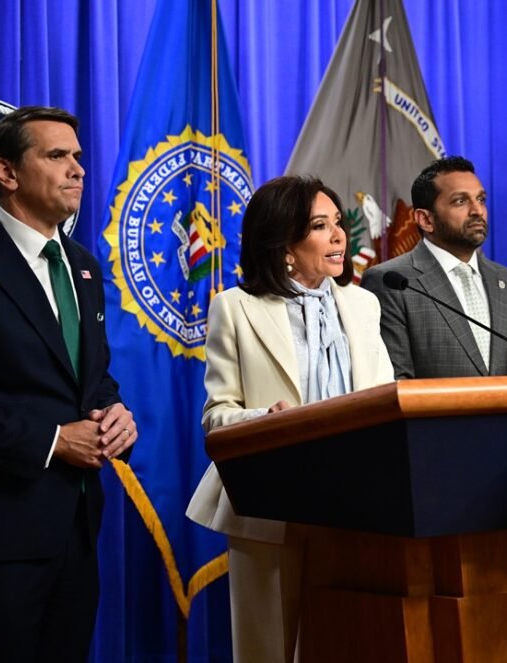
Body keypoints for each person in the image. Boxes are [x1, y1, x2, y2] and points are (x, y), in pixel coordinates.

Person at [0, 106, 138, 662]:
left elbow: (87, 376)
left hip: (76, 531)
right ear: (7, 173)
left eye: (78, 157)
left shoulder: (82, 265)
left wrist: (115, 411)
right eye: (57, 156)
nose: (78, 168)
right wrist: (54, 440)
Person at [186, 175, 394, 663]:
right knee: (269, 650)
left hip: (359, 507)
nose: (340, 236)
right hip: (271, 502)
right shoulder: (235, 309)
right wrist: (269, 418)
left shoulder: (364, 305)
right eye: (320, 226)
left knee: (352, 643)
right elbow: (217, 417)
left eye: (338, 223)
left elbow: (385, 399)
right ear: (284, 246)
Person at [361, 156, 507, 377]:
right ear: (425, 220)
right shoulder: (392, 283)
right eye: (461, 201)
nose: (477, 211)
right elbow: (396, 384)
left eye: (481, 199)